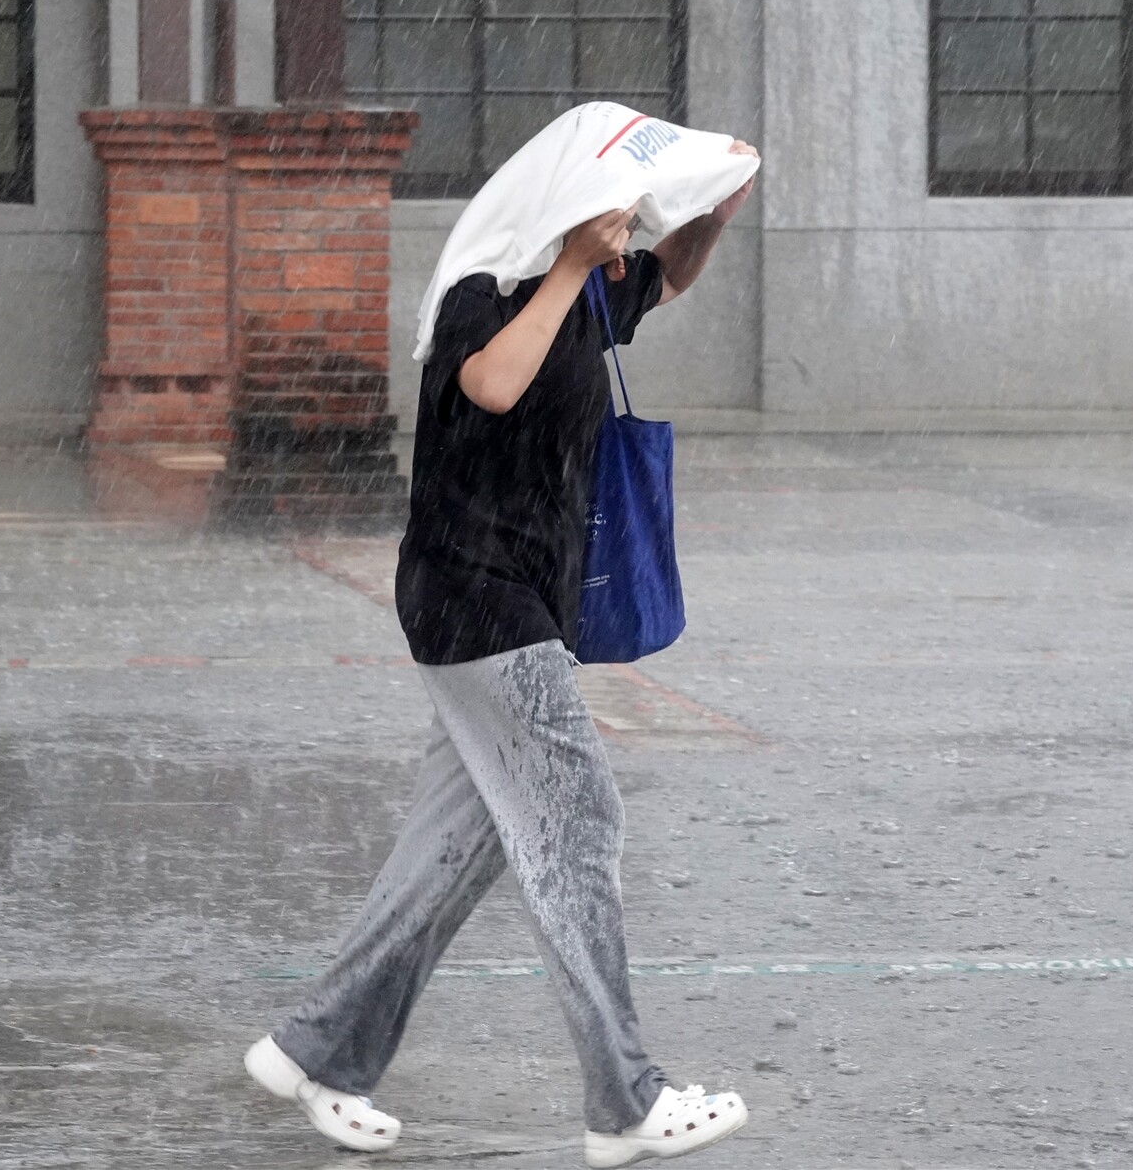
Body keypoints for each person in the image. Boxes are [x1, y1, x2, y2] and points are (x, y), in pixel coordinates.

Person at [245, 135, 760, 1168]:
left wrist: (717, 198)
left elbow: (679, 270)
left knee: (459, 845)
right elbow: (489, 384)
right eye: (606, 210)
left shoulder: (592, 295)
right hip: (474, 600)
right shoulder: (486, 293)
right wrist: (572, 260)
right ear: (562, 209)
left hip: (514, 603)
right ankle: (626, 1102)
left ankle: (312, 1050)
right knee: (576, 821)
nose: (620, 234)